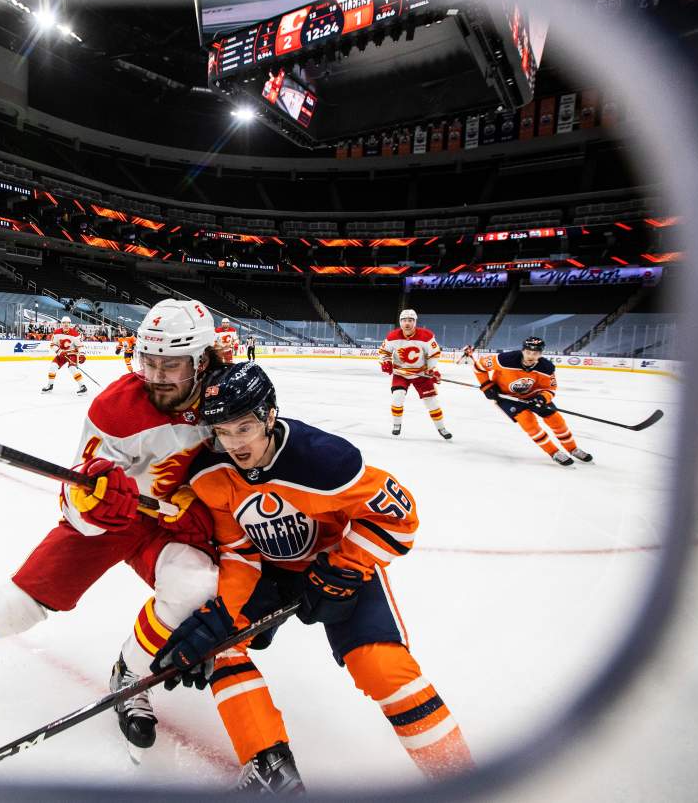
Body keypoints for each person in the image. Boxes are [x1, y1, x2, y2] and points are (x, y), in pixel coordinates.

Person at [0, 299, 226, 759]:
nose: (158, 376)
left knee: (198, 585)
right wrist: (92, 501)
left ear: (203, 361)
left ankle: (131, 672)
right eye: (150, 362)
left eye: (173, 365)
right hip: (116, 521)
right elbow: (75, 497)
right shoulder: (116, 409)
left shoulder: (231, 396)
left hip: (177, 522)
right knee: (14, 610)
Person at [152, 363, 474, 791]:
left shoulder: (322, 461)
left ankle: (460, 779)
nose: (233, 444)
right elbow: (240, 550)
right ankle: (270, 768)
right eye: (222, 432)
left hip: (335, 561)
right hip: (271, 572)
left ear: (269, 415)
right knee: (221, 646)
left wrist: (344, 569)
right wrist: (225, 613)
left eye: (243, 427)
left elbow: (399, 518)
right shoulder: (213, 476)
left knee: (381, 666)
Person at [473, 337, 593, 466]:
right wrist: (486, 386)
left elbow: (550, 389)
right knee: (528, 422)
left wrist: (541, 398)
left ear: (540, 354)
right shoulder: (504, 359)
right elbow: (478, 366)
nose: (531, 356)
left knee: (556, 419)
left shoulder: (546, 367)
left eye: (535, 353)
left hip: (534, 396)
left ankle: (572, 448)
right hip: (507, 397)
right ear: (523, 351)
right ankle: (554, 452)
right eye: (528, 352)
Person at [378, 309, 451, 439]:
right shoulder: (392, 337)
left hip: (421, 374)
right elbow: (384, 352)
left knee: (432, 402)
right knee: (397, 397)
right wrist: (386, 362)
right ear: (400, 322)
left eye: (410, 320)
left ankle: (441, 428)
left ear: (415, 322)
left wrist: (432, 369)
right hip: (400, 373)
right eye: (404, 320)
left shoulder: (426, 336)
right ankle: (396, 424)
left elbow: (434, 354)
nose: (407, 323)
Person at [41, 316, 88, 395]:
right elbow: (53, 345)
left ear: (70, 324)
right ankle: (50, 386)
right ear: (61, 324)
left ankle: (82, 386)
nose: (66, 325)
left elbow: (80, 346)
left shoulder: (75, 334)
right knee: (53, 366)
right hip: (62, 354)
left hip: (72, 354)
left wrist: (82, 355)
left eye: (68, 323)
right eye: (64, 323)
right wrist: (59, 351)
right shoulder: (56, 332)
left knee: (72, 368)